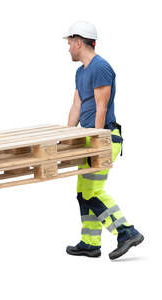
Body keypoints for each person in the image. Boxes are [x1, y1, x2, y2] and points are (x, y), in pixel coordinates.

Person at [64, 21, 144, 260]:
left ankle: (126, 231)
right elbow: (77, 105)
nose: (68, 48)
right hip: (87, 140)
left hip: (103, 138)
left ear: (79, 42)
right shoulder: (80, 72)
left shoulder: (100, 68)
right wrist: (66, 136)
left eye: (69, 44)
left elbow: (101, 106)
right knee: (83, 192)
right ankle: (90, 242)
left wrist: (97, 141)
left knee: (92, 192)